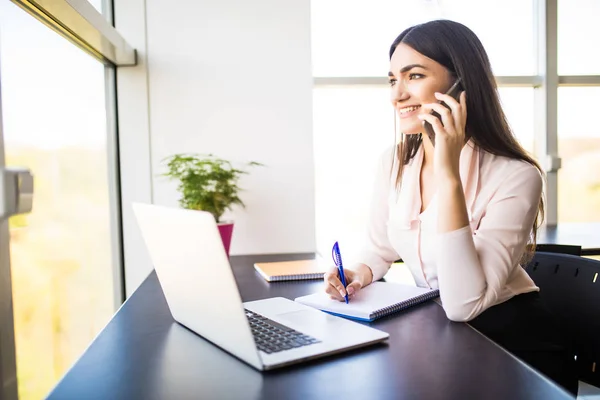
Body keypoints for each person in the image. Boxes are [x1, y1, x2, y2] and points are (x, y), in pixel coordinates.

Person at [323, 20, 578, 396]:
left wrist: (448, 175)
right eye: (393, 79)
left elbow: (462, 304)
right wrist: (357, 272)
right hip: (442, 336)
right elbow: (380, 247)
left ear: (461, 86)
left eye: (414, 76)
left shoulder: (517, 176)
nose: (397, 95)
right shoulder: (393, 163)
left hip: (514, 350)